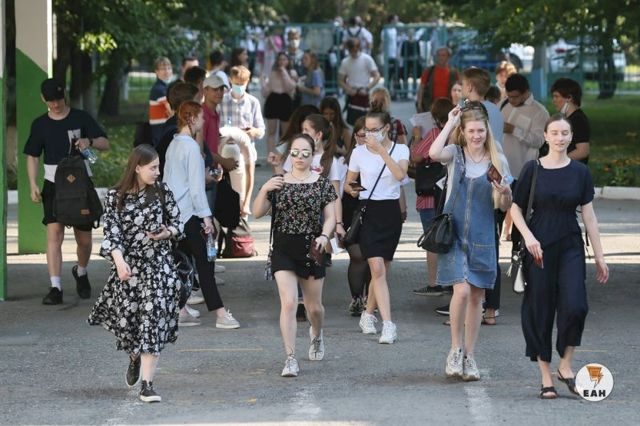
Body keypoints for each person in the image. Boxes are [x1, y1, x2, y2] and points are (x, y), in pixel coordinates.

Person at [510, 114, 609, 399]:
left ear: (571, 136)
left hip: (570, 245)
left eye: (565, 133)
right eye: (554, 133)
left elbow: (589, 216)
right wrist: (529, 237)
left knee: (576, 305)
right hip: (538, 246)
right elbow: (515, 208)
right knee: (540, 308)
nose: (560, 138)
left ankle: (565, 365)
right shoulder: (533, 169)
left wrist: (600, 256)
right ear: (545, 136)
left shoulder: (580, 172)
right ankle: (546, 377)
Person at [88, 145, 181, 403]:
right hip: (128, 268)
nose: (157, 172)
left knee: (153, 321)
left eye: (159, 167)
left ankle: (147, 385)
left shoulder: (162, 191)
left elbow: (178, 223)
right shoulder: (115, 196)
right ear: (137, 168)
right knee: (129, 325)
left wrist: (167, 233)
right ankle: (133, 356)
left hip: (158, 267)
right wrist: (119, 262)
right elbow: (112, 234)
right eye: (153, 167)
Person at [428, 101, 512, 381]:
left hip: (483, 235)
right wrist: (451, 122)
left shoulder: (496, 159)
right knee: (462, 291)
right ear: (463, 132)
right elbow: (433, 153)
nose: (477, 135)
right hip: (453, 234)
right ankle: (455, 349)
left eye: (481, 130)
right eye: (472, 130)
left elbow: (504, 206)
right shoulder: (455, 153)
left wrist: (505, 193)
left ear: (487, 130)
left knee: (477, 296)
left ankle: (470, 355)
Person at [253, 133, 337, 377]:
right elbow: (256, 212)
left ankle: (317, 334)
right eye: (295, 152)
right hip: (283, 248)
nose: (299, 157)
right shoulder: (278, 182)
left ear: (313, 155)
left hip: (312, 248)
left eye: (305, 153)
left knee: (314, 308)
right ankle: (290, 358)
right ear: (290, 154)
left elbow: (331, 217)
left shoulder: (321, 184)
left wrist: (325, 236)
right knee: (289, 302)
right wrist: (264, 189)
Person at [24, 78, 110, 305]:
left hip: (80, 184)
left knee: (84, 239)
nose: (55, 104)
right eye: (50, 100)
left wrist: (89, 141)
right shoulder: (40, 124)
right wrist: (33, 184)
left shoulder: (81, 117)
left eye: (59, 99)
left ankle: (81, 271)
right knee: (54, 234)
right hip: (53, 184)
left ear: (65, 96)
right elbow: (32, 155)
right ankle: (55, 287)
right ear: (43, 99)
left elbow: (105, 143)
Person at [163, 101, 240, 329]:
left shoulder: (173, 144)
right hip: (191, 214)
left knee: (182, 262)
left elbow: (168, 181)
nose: (203, 120)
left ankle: (181, 310)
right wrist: (206, 217)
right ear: (191, 119)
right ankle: (220, 314)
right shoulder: (191, 149)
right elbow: (196, 188)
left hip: (175, 215)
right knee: (205, 266)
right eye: (200, 117)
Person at [345, 111, 410, 344]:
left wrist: (382, 150)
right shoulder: (358, 152)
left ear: (386, 128)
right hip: (368, 211)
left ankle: (367, 314)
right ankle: (388, 325)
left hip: (390, 213)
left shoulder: (400, 150)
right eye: (367, 130)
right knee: (377, 269)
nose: (369, 135)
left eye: (375, 129)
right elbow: (349, 183)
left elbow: (400, 175)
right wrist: (354, 189)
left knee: (381, 271)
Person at [500, 73, 549, 311]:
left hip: (524, 171)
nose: (512, 100)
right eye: (509, 96)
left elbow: (539, 141)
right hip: (502, 171)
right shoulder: (504, 105)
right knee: (498, 215)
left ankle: (518, 261)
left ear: (526, 92)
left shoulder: (539, 112)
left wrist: (515, 130)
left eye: (515, 97)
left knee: (521, 219)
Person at [411, 98, 454, 297]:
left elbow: (416, 157)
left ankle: (434, 283)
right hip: (449, 196)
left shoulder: (436, 134)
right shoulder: (457, 134)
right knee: (449, 237)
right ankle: (451, 281)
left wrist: (417, 137)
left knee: (432, 239)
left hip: (430, 197)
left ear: (435, 117)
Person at [219, 65, 265, 217]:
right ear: (230, 81)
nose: (239, 86)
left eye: (242, 83)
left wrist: (253, 131)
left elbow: (261, 129)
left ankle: (244, 206)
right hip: (227, 148)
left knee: (247, 176)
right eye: (236, 83)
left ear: (247, 82)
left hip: (247, 149)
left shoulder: (253, 102)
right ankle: (230, 210)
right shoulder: (222, 101)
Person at [342, 117, 371, 315]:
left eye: (369, 135)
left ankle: (370, 298)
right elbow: (341, 188)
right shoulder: (347, 159)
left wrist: (402, 208)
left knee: (373, 258)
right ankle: (356, 298)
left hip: (375, 211)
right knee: (357, 256)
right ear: (354, 137)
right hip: (351, 211)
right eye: (361, 136)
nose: (365, 139)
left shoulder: (382, 156)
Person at [544, 78, 590, 164]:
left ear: (569, 98)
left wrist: (558, 161)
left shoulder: (578, 120)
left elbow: (583, 151)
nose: (553, 100)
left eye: (556, 96)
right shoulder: (568, 119)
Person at [262, 52, 297, 161]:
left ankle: (281, 156)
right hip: (273, 100)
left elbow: (290, 87)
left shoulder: (292, 72)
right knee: (271, 131)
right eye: (280, 59)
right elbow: (266, 89)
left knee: (285, 132)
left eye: (284, 59)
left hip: (285, 100)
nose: (281, 62)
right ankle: (271, 155)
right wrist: (264, 84)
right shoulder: (272, 72)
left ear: (288, 61)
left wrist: (284, 72)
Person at [338, 38, 380, 125]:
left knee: (366, 122)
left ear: (359, 48)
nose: (354, 51)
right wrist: (349, 90)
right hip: (352, 95)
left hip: (364, 94)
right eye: (351, 49)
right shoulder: (345, 62)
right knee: (353, 122)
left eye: (355, 49)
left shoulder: (367, 59)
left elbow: (377, 76)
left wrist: (367, 88)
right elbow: (340, 80)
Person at [416, 47, 459, 113]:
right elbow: (421, 88)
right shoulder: (429, 71)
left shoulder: (453, 73)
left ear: (448, 57)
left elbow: (458, 90)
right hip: (430, 106)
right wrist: (419, 104)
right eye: (439, 55)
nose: (440, 57)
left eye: (443, 55)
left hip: (447, 107)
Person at [149, 57, 173, 146]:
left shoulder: (165, 87)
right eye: (163, 69)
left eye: (169, 68)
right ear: (157, 71)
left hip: (164, 130)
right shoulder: (159, 89)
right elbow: (172, 111)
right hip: (161, 133)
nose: (167, 71)